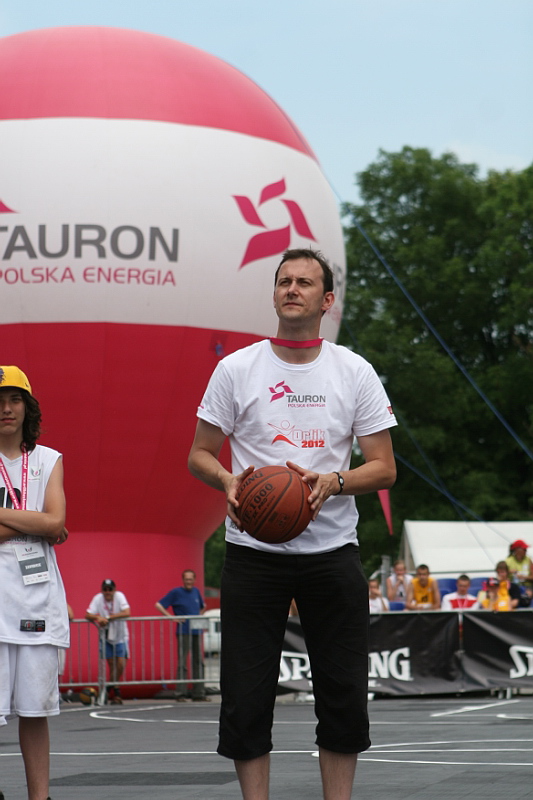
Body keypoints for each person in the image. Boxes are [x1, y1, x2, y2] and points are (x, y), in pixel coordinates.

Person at [188, 248, 397, 800]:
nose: (292, 289)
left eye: (305, 282)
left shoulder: (354, 370)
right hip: (253, 553)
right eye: (284, 281)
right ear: (275, 294)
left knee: (343, 695)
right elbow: (200, 454)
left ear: (327, 300)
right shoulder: (237, 368)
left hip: (332, 551)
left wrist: (334, 481)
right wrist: (228, 481)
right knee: (245, 698)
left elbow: (384, 467)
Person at [0, 365, 69, 800]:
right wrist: (37, 522)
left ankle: (39, 797)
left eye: (14, 399)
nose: (6, 409)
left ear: (28, 407)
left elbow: (56, 522)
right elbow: (47, 523)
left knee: (34, 711)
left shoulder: (48, 459)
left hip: (37, 605)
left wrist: (11, 517)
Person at [155, 569, 208, 701]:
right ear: (183, 580)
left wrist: (199, 617)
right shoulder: (176, 592)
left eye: (191, 579)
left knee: (198, 662)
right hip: (183, 631)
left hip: (196, 630)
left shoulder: (196, 591)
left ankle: (199, 693)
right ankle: (180, 693)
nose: (189, 581)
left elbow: (203, 606)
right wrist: (172, 618)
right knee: (183, 662)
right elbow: (159, 605)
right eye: (186, 579)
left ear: (194, 580)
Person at [86, 579, 130, 704]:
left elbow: (127, 612)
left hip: (120, 636)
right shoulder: (98, 598)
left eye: (110, 589)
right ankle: (116, 692)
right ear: (102, 590)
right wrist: (98, 617)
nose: (107, 592)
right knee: (112, 665)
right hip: (106, 637)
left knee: (120, 664)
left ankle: (107, 690)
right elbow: (87, 614)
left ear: (114, 590)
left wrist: (108, 618)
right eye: (105, 589)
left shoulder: (120, 596)